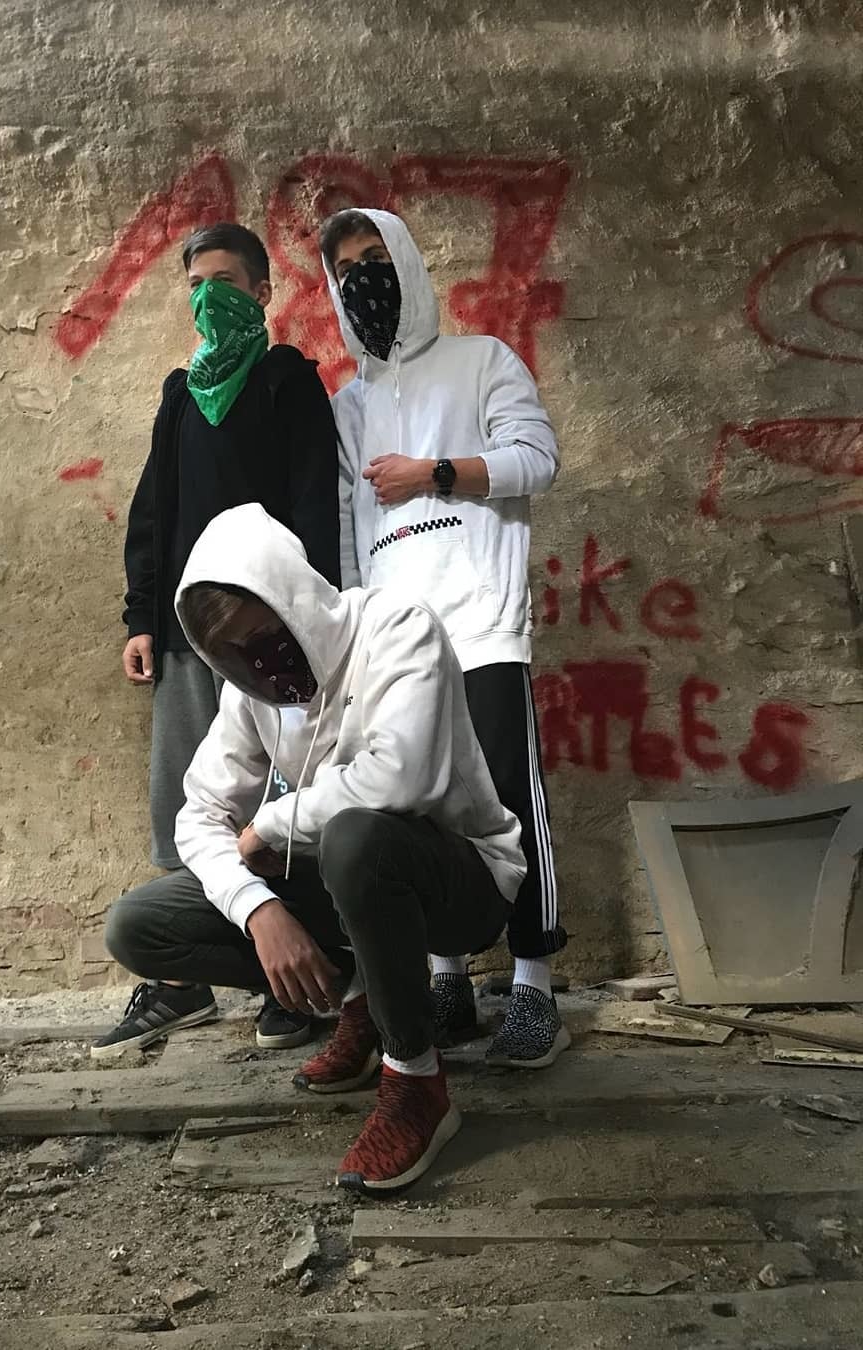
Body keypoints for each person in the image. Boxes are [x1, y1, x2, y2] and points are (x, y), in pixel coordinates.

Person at [104, 504, 525, 1191]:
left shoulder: (397, 627)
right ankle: (360, 1001)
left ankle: (416, 1080)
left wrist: (271, 825)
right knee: (141, 925)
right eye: (232, 652)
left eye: (262, 637)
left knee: (356, 836)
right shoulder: (252, 693)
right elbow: (198, 815)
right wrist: (259, 912)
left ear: (295, 600)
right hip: (346, 881)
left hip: (461, 881)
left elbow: (402, 777)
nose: (257, 662)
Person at [319, 208, 568, 1068]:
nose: (363, 278)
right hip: (395, 643)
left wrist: (433, 473)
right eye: (346, 269)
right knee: (412, 804)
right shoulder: (349, 405)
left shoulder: (483, 361)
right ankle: (447, 976)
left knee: (507, 799)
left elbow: (537, 459)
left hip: (480, 620)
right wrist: (355, 639)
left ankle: (534, 984)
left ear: (408, 264)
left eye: (375, 258)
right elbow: (348, 531)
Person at [92, 223, 341, 1062]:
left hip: (270, 633)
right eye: (197, 284)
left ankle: (291, 979)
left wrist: (313, 624)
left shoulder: (286, 382)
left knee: (276, 797)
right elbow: (153, 511)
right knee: (184, 799)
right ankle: (181, 980)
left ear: (263, 292)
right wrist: (141, 617)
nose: (210, 298)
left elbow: (316, 505)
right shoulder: (180, 394)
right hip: (183, 631)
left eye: (226, 281)